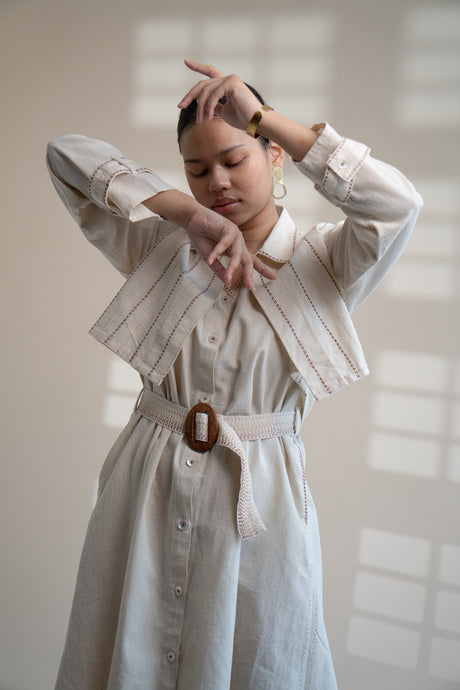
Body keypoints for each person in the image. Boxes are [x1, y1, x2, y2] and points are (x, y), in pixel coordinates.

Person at [47, 60, 422, 690]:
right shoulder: (158, 249)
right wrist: (182, 213)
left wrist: (267, 117)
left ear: (274, 156)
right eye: (197, 170)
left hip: (260, 497)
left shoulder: (325, 262)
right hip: (146, 483)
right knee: (131, 641)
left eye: (234, 158)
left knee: (258, 649)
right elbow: (65, 156)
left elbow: (398, 205)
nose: (216, 182)